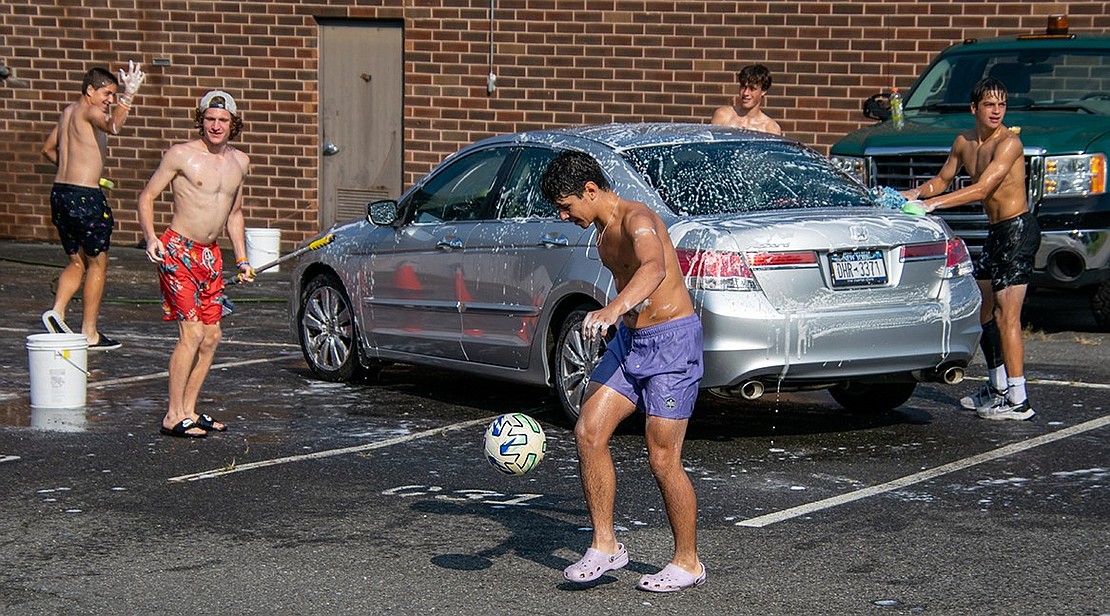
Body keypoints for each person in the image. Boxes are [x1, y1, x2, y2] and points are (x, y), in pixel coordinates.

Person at [540, 151, 706, 592]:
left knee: (662, 457)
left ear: (590, 191)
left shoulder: (638, 219)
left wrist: (612, 309)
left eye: (566, 204)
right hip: (631, 343)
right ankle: (605, 545)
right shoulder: (599, 231)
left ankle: (687, 562)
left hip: (672, 343)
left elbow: (653, 267)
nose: (563, 214)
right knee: (589, 432)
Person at [901, 76, 1037, 421]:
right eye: (990, 105)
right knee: (984, 311)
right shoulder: (964, 142)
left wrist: (934, 206)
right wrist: (913, 195)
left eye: (1002, 105)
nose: (997, 111)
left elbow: (982, 188)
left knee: (1008, 316)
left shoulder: (1009, 144)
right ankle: (998, 387)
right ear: (974, 108)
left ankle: (1019, 399)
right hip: (996, 234)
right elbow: (942, 179)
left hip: (1018, 231)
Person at [138, 90, 254, 438]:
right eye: (210, 119)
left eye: (223, 120)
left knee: (212, 336)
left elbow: (234, 214)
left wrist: (243, 258)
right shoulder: (181, 155)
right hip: (178, 251)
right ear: (201, 121)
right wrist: (150, 237)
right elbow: (146, 197)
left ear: (233, 124)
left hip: (211, 254)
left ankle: (188, 409)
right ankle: (173, 415)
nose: (216, 126)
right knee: (192, 333)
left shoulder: (240, 162)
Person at [40, 62, 145, 349]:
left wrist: (75, 169)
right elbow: (113, 126)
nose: (109, 100)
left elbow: (48, 149)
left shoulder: (67, 113)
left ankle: (57, 311)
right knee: (98, 262)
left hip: (60, 193)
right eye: (107, 93)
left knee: (76, 260)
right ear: (89, 90)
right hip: (85, 196)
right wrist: (129, 95)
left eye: (113, 95)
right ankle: (90, 333)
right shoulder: (90, 110)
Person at [710, 64, 783, 135]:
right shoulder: (723, 116)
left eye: (752, 89)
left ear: (763, 91)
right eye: (743, 87)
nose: (745, 93)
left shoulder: (770, 129)